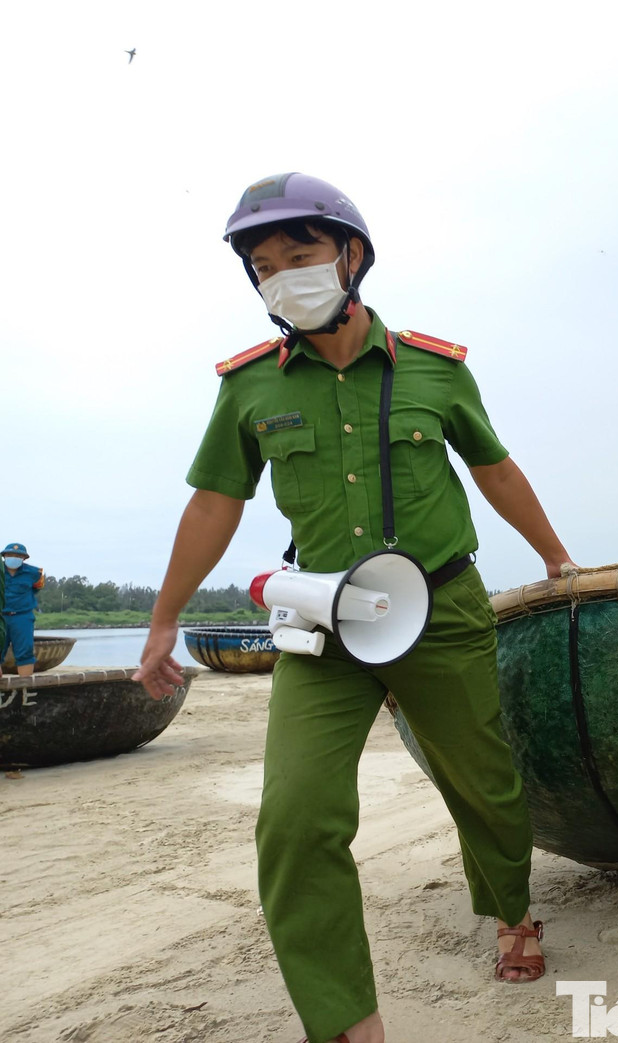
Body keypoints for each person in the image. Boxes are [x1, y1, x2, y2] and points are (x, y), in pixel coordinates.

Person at [134, 173, 574, 1043]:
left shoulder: (435, 371)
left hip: (441, 608)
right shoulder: (249, 388)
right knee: (295, 816)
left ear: (352, 256)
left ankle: (513, 910)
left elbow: (494, 470)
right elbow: (213, 503)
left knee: (484, 785)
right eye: (263, 266)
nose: (282, 277)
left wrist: (555, 556)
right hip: (323, 622)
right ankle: (346, 1021)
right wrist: (160, 620)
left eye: (299, 256)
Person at [2, 543, 46, 677]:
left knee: (25, 652)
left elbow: (36, 588)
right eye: (10, 555)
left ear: (24, 558)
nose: (13, 558)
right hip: (0, 617)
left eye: (17, 555)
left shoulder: (34, 573)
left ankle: (25, 689)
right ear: (4, 556)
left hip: (22, 617)